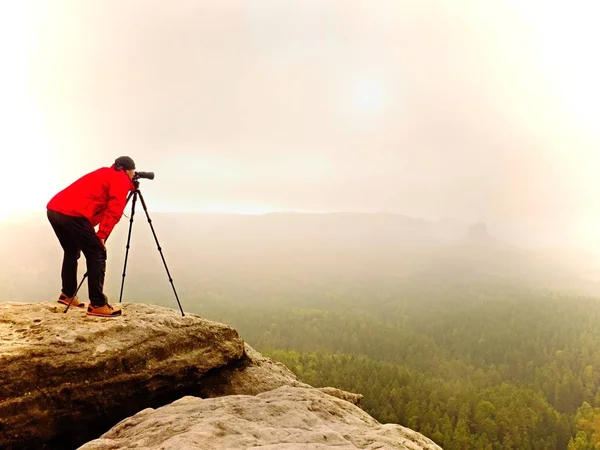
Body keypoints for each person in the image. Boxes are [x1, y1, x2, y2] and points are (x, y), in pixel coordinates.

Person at [47, 156, 136, 317]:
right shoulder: (121, 179)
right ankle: (97, 304)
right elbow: (114, 210)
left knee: (71, 250)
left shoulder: (105, 172)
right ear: (129, 171)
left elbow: (93, 205)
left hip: (54, 209)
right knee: (97, 253)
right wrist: (101, 235)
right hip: (73, 214)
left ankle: (67, 294)